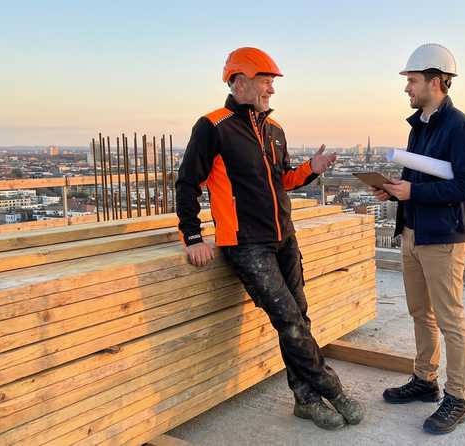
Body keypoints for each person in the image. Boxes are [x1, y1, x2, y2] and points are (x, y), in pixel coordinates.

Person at [175, 47, 364, 431]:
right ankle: (333, 389)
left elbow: (284, 180)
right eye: (266, 81)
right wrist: (193, 236)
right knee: (289, 320)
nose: (271, 91)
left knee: (299, 318)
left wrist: (313, 169)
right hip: (246, 244)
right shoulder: (213, 127)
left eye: (272, 83)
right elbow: (187, 183)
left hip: (284, 239)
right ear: (239, 80)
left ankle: (306, 399)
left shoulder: (275, 131)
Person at [373, 43, 465, 435]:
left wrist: (413, 193)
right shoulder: (419, 126)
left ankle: (458, 397)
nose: (407, 88)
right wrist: (394, 190)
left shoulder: (462, 128)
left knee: (450, 318)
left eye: (412, 81)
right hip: (414, 232)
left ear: (437, 82)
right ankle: (425, 380)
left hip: (443, 237)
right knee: (421, 311)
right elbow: (422, 179)